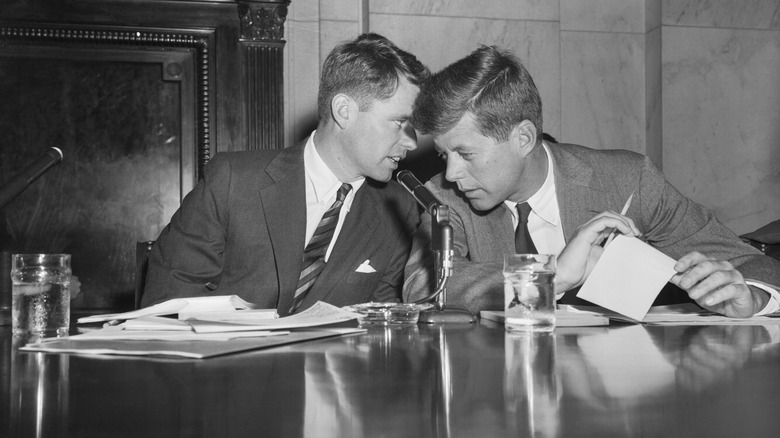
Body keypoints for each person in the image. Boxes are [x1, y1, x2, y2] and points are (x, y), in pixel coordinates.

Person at [403, 45, 780, 318]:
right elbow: (424, 289)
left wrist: (752, 298)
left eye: (465, 154)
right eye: (443, 154)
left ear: (523, 138)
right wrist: (550, 275)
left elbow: (750, 261)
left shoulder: (630, 181)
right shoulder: (442, 197)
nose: (450, 173)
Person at [142, 33, 429, 315]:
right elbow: (167, 305)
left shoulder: (399, 208)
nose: (411, 142)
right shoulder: (232, 181)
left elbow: (382, 327)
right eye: (399, 122)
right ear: (344, 111)